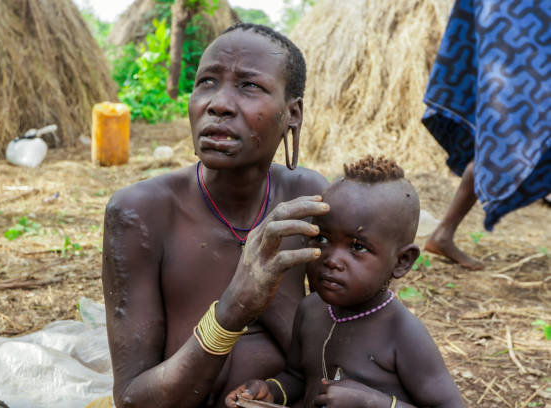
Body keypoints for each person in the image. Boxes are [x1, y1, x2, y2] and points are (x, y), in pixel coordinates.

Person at [101, 23, 329, 408]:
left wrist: (279, 388)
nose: (219, 103)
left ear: (293, 113)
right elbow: (131, 399)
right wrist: (233, 309)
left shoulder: (307, 200)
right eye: (206, 82)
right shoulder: (140, 213)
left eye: (249, 86)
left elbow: (334, 360)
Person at [226, 156, 464, 408]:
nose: (332, 260)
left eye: (358, 247)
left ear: (402, 261)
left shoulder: (402, 333)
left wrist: (372, 403)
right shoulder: (310, 310)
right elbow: (298, 377)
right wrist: (270, 390)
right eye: (323, 239)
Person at [421, 0, 551, 270]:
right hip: (518, 43)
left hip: (518, 40)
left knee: (499, 142)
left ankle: (443, 233)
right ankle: (443, 233)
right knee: (500, 140)